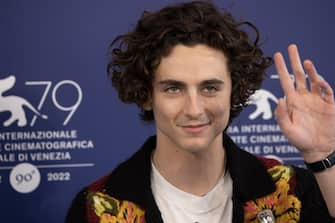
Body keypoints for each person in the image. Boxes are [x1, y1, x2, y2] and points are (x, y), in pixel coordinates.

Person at [66, 1, 335, 222]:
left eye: (209, 88)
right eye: (173, 89)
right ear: (147, 95)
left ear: (234, 90)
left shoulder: (290, 191)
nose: (194, 109)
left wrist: (322, 156)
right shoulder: (97, 207)